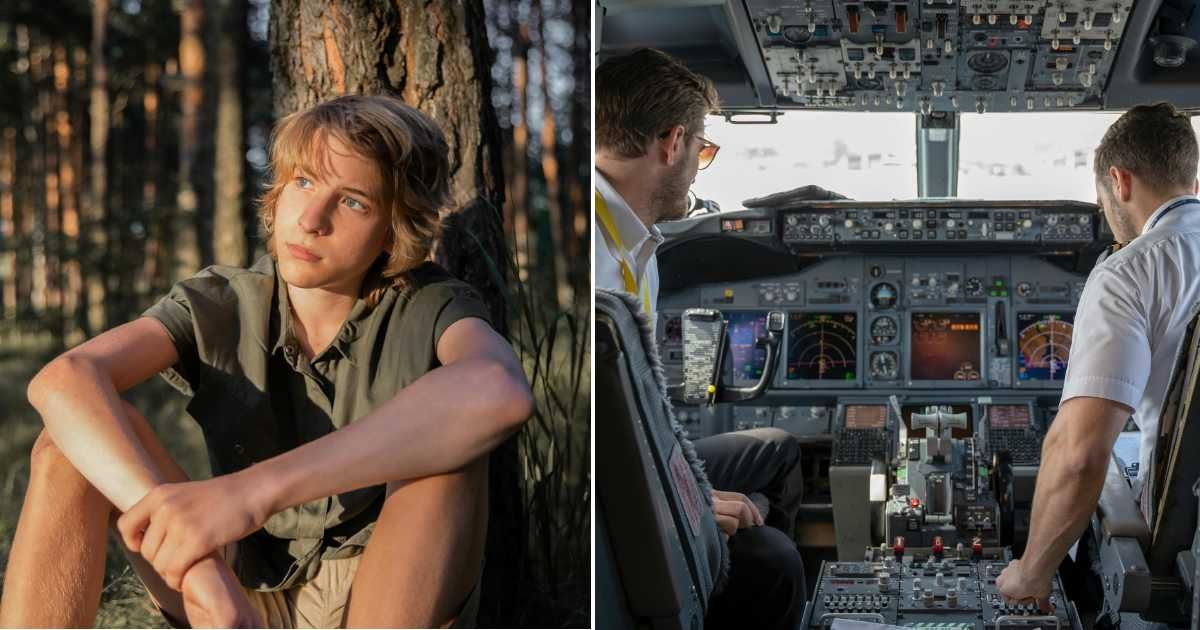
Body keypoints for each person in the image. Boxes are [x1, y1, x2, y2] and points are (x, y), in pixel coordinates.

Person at [0, 94, 534, 629]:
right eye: (303, 182)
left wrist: (247, 495)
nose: (312, 219)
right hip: (234, 594)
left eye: (352, 202)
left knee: (445, 452)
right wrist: (198, 563)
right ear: (278, 192)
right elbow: (64, 378)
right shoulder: (223, 299)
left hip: (382, 589)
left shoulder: (429, 305)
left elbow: (498, 392)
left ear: (394, 229)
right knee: (66, 445)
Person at [595, 47, 806, 630]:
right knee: (778, 561)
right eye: (701, 150)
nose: (698, 165)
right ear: (670, 143)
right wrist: (687, 506)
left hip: (645, 455)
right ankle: (729, 589)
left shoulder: (637, 240)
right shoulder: (592, 254)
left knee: (778, 450)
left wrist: (685, 487)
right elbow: (600, 439)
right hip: (617, 488)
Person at [997, 102, 1200, 614]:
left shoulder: (1132, 271)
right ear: (1191, 182)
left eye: (1102, 197)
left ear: (1119, 180)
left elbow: (1080, 453)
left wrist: (1029, 574)